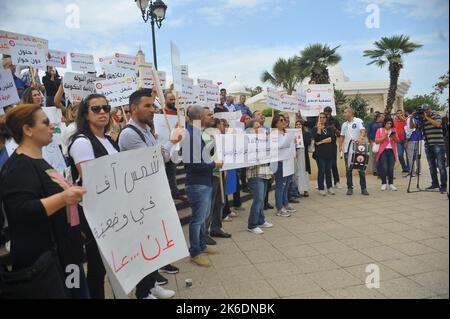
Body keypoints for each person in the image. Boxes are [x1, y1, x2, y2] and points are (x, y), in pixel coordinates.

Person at [0, 104, 88, 298]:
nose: (51, 127)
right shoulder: (18, 167)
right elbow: (21, 211)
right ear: (27, 129)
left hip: (67, 258)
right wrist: (64, 197)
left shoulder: (39, 160)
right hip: (48, 265)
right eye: (46, 122)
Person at [117, 89, 176, 299]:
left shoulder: (147, 131)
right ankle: (143, 293)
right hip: (139, 201)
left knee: (154, 243)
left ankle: (151, 285)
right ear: (134, 109)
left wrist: (165, 148)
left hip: (152, 195)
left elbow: (166, 157)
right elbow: (154, 161)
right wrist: (171, 141)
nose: (153, 110)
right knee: (144, 246)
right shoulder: (129, 134)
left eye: (153, 105)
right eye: (147, 106)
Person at [67, 94, 119, 299]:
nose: (103, 112)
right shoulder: (81, 142)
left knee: (112, 263)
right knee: (98, 266)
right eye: (96, 109)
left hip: (113, 209)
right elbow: (93, 180)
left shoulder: (108, 140)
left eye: (106, 108)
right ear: (85, 114)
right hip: (96, 213)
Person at [182, 106, 223, 267]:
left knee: (202, 217)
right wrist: (214, 164)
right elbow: (192, 164)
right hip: (197, 184)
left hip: (203, 182)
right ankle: (195, 252)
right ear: (199, 116)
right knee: (197, 220)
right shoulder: (189, 135)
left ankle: (202, 245)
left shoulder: (196, 133)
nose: (211, 116)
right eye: (208, 114)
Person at [202, 117, 232, 240]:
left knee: (219, 202)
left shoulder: (220, 135)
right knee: (211, 203)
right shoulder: (204, 135)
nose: (223, 126)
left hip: (221, 172)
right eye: (221, 124)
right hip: (211, 173)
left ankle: (216, 228)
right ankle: (205, 232)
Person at [410, 104, 447, 194]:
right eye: (424, 111)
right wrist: (411, 118)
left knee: (441, 166)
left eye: (427, 110)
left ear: (430, 109)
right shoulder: (422, 118)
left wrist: (426, 117)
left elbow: (438, 124)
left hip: (438, 144)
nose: (426, 112)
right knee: (431, 166)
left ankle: (443, 186)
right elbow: (412, 127)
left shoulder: (436, 115)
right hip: (428, 145)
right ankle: (435, 184)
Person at [245, 120, 273, 234]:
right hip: (255, 173)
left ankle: (261, 220)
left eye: (260, 126)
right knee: (258, 199)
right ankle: (252, 225)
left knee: (262, 199)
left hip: (264, 171)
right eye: (257, 127)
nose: (260, 128)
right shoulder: (247, 141)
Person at [340, 108, 370, 196]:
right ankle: (350, 188)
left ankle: (363, 188)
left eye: (345, 112)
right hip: (347, 150)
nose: (344, 114)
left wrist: (360, 137)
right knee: (348, 170)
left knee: (361, 169)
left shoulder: (358, 121)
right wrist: (340, 146)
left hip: (358, 149)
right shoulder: (344, 124)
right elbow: (342, 136)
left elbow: (363, 130)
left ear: (350, 113)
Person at [271, 114, 295, 217]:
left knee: (287, 184)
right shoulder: (273, 134)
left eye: (284, 120)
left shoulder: (286, 132)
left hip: (288, 161)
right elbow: (274, 147)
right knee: (280, 186)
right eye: (281, 120)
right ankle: (279, 208)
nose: (283, 121)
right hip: (279, 162)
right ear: (275, 123)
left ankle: (285, 204)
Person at [163, 92, 184, 200]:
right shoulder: (160, 113)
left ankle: (174, 191)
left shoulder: (178, 114)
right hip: (164, 146)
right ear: (165, 100)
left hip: (175, 146)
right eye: (170, 99)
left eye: (173, 99)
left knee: (172, 170)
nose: (172, 102)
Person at [313, 113, 336, 196]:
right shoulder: (315, 129)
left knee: (328, 171)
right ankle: (321, 188)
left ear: (326, 119)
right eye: (320, 117)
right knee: (322, 170)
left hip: (329, 153)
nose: (322, 119)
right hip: (319, 154)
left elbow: (332, 139)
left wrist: (321, 141)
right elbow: (316, 140)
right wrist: (319, 130)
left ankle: (329, 187)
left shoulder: (329, 128)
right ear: (318, 119)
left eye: (323, 117)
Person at [375, 117, 399, 191]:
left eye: (390, 123)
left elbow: (397, 141)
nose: (389, 125)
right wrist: (384, 137)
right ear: (384, 123)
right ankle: (383, 183)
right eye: (388, 123)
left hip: (392, 151)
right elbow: (376, 141)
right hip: (383, 151)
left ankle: (391, 184)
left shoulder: (393, 130)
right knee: (384, 168)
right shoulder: (380, 130)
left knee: (391, 168)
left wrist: (394, 137)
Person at [324, 106, 342, 189]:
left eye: (329, 113)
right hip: (322, 146)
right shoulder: (321, 120)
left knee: (333, 164)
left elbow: (340, 134)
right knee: (323, 166)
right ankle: (323, 182)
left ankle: (337, 182)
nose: (327, 115)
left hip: (332, 145)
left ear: (331, 112)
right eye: (326, 113)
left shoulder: (334, 121)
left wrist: (335, 129)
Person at [294, 120, 311, 197]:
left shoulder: (306, 134)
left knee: (304, 172)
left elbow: (308, 143)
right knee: (296, 173)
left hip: (303, 155)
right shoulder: (293, 134)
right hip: (295, 155)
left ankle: (305, 190)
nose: (298, 125)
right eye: (296, 124)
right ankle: (296, 190)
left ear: (302, 126)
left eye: (299, 124)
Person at [405, 107, 423, 177]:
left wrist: (406, 140)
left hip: (411, 139)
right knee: (416, 156)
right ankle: (418, 170)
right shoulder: (417, 118)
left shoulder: (409, 118)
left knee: (410, 156)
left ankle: (412, 173)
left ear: (406, 112)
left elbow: (409, 130)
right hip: (417, 138)